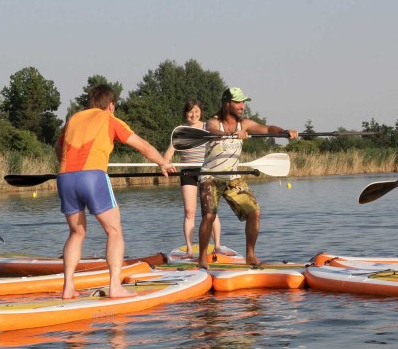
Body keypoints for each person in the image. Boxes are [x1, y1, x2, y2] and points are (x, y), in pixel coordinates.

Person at [56, 84, 175, 299]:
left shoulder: (73, 119)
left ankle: (68, 288)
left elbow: (58, 148)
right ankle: (115, 287)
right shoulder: (108, 118)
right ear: (111, 105)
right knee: (114, 231)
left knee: (77, 232)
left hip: (64, 177)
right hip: (92, 177)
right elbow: (144, 147)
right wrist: (163, 163)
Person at [197, 87, 298, 269]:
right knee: (209, 216)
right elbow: (213, 132)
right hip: (209, 177)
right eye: (237, 102)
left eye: (243, 102)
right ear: (227, 103)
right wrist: (231, 135)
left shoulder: (244, 124)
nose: (242, 106)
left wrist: (284, 132)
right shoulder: (213, 122)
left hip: (233, 177)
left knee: (255, 212)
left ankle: (250, 256)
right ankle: (202, 259)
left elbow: (267, 128)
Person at [163, 99, 225, 258]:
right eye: (190, 111)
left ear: (201, 113)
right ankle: (190, 250)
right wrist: (166, 164)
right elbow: (168, 154)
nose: (194, 114)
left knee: (211, 212)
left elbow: (221, 140)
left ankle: (217, 246)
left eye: (196, 111)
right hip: (188, 172)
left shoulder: (208, 127)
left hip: (207, 171)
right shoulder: (181, 131)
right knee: (190, 212)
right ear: (186, 113)